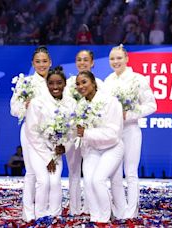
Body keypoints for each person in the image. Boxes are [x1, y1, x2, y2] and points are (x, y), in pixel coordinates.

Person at [104, 45, 157, 219]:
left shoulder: (138, 79)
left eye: (119, 58)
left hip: (131, 130)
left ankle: (131, 212)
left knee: (131, 172)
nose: (116, 61)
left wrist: (130, 114)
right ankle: (120, 211)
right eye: (112, 58)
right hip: (113, 132)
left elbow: (152, 105)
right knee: (115, 174)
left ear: (127, 58)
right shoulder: (108, 81)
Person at [24, 66, 77, 220]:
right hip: (37, 148)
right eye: (51, 83)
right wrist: (47, 158)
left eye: (59, 83)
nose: (55, 87)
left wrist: (64, 146)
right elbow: (32, 133)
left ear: (65, 84)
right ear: (47, 84)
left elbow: (73, 130)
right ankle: (40, 216)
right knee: (43, 181)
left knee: (55, 182)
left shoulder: (71, 103)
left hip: (56, 150)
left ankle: (54, 215)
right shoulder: (37, 103)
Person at [75, 70, 127, 223]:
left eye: (84, 82)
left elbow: (113, 134)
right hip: (92, 148)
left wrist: (87, 133)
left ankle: (104, 218)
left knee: (98, 179)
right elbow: (79, 134)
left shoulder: (111, 101)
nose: (81, 86)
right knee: (89, 181)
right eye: (78, 84)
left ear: (94, 83)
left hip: (113, 147)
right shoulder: (80, 106)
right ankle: (95, 217)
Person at [10, 45, 52, 222]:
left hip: (51, 134)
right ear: (32, 63)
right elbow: (13, 109)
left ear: (50, 62)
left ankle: (45, 210)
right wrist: (24, 107)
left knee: (49, 175)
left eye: (44, 61)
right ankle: (28, 214)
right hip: (29, 132)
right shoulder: (25, 83)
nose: (41, 65)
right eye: (38, 62)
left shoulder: (56, 81)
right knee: (31, 173)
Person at [64, 49, 104, 216]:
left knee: (90, 172)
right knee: (73, 171)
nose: (82, 62)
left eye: (86, 59)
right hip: (72, 133)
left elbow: (102, 108)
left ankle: (90, 207)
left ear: (92, 62)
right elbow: (64, 108)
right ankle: (74, 208)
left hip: (91, 134)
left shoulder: (100, 83)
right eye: (79, 59)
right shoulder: (68, 84)